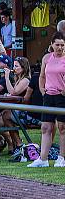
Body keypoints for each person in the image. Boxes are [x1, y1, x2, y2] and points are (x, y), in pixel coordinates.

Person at [27, 32, 65, 168]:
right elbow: (42, 75)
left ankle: (62, 158)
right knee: (46, 127)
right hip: (49, 95)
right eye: (57, 45)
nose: (60, 48)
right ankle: (43, 159)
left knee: (62, 127)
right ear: (52, 45)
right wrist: (43, 90)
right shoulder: (47, 58)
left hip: (62, 97)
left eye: (62, 45)